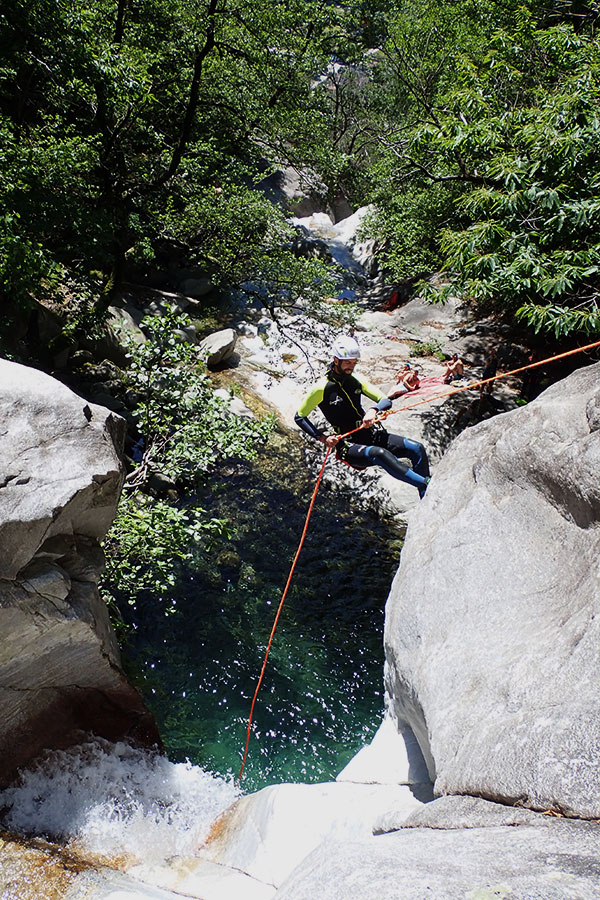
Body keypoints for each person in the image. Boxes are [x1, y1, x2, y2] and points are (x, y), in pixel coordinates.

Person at [295, 336, 431, 498]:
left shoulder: (356, 380)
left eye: (354, 363)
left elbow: (385, 400)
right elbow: (300, 417)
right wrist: (322, 437)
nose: (351, 367)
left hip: (370, 434)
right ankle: (429, 485)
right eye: (347, 363)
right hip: (348, 445)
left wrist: (374, 410)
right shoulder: (321, 388)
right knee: (380, 454)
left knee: (416, 448)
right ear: (336, 360)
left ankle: (425, 497)